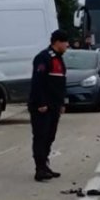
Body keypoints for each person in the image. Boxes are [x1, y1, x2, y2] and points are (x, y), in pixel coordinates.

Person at [29, 30, 70, 182]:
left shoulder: (58, 59)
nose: (67, 45)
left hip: (54, 106)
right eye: (65, 42)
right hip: (42, 106)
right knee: (41, 136)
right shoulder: (44, 57)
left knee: (49, 137)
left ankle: (45, 166)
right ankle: (39, 169)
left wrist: (61, 103)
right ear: (57, 42)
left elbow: (60, 84)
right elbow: (37, 82)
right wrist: (40, 103)